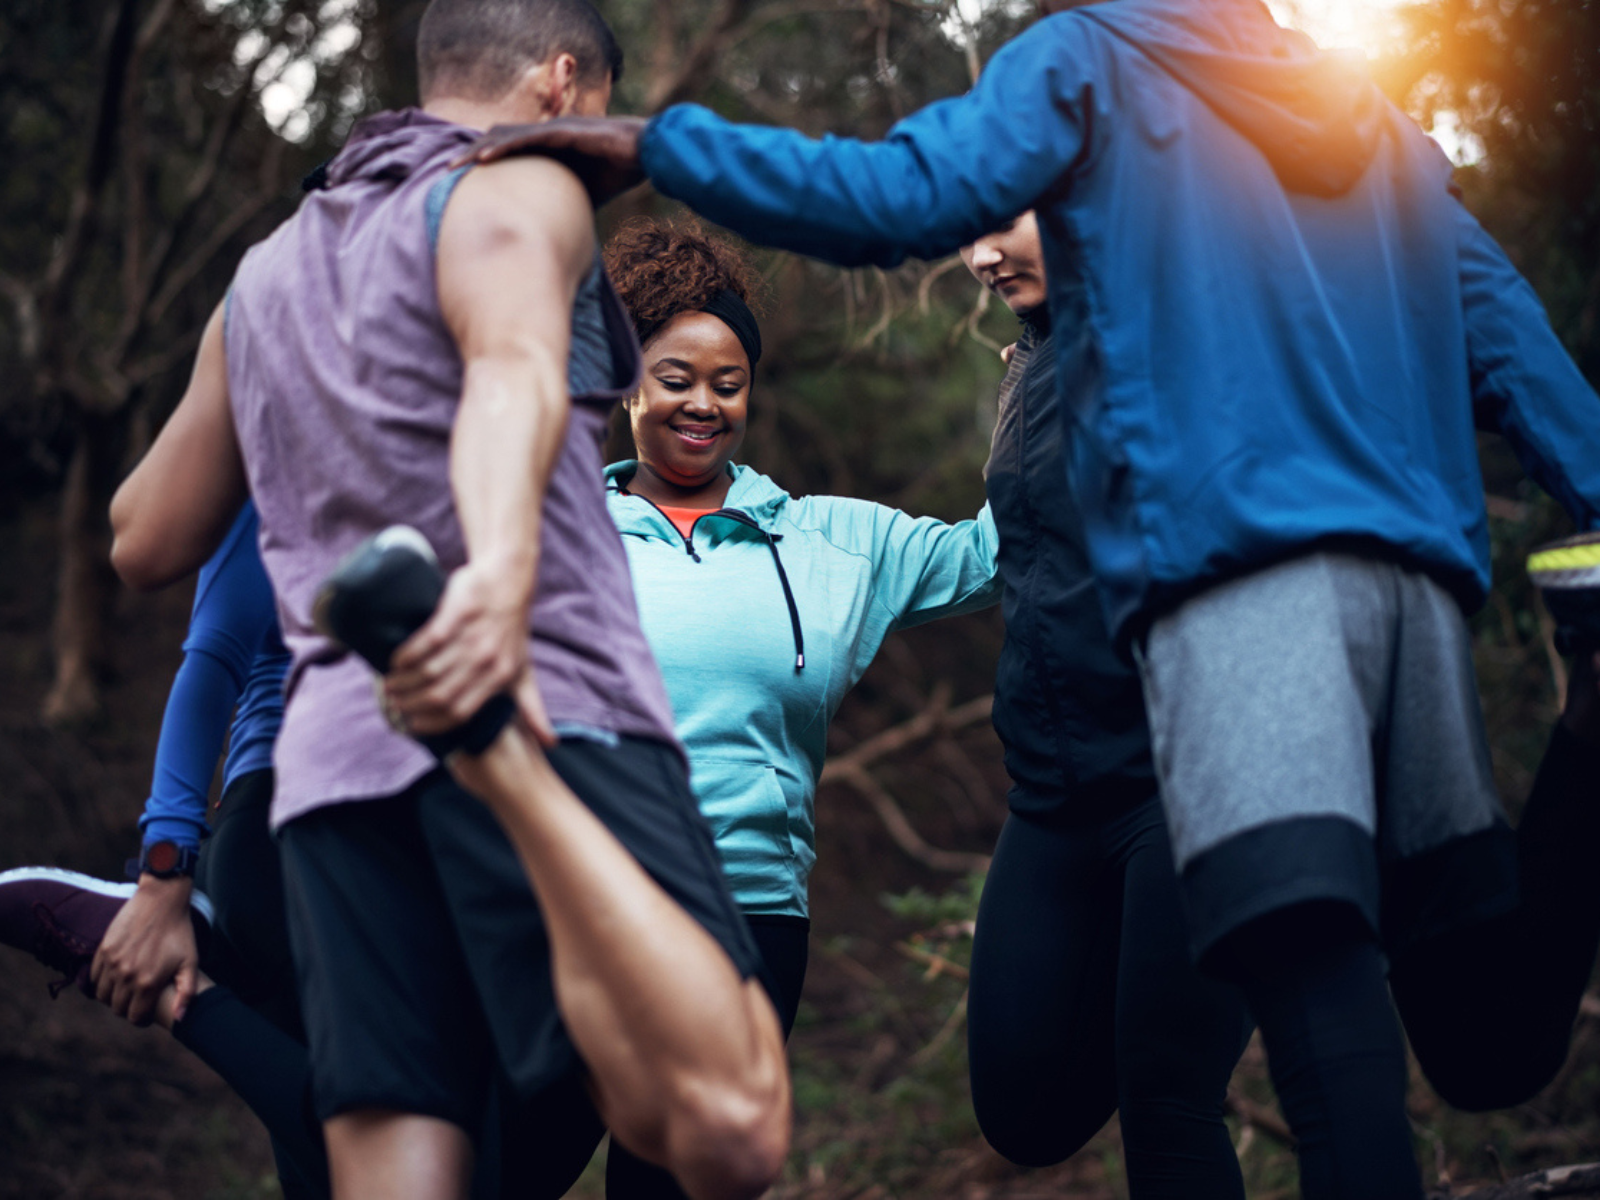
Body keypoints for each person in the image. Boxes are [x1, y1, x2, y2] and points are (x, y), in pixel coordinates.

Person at [455, 1, 1600, 1196]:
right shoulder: (1379, 135)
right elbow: (1512, 348)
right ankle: (1587, 726)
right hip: (1412, 608)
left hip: (1246, 611)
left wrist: (653, 147)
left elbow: (893, 197)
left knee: (1313, 1041)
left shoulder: (1096, 61)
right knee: (1482, 1040)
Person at [102, 2, 791, 1198]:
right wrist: (492, 579)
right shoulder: (517, 194)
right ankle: (501, 769)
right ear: (564, 84)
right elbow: (516, 371)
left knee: (404, 1166)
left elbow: (145, 537)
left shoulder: (263, 276)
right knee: (731, 1126)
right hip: (540, 699)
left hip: (332, 770)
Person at [599, 218, 1001, 1197]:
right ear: (624, 384)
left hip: (749, 922)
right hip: (579, 912)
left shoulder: (831, 543)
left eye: (726, 383)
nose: (703, 404)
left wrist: (1055, 350)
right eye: (675, 378)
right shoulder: (553, 525)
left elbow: (1002, 550)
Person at [958, 211, 1250, 1198]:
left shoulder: (1178, 326)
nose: (979, 255)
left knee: (1167, 1097)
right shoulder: (1028, 358)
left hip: (1187, 779)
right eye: (964, 229)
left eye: (1000, 222)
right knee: (1024, 1109)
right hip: (1052, 793)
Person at [0, 501, 330, 1198]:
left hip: (396, 836)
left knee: (343, 1155)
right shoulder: (279, 425)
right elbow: (212, 655)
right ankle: (180, 972)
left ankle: (187, 997)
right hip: (285, 830)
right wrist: (164, 869)